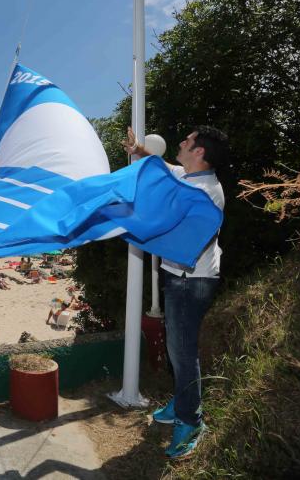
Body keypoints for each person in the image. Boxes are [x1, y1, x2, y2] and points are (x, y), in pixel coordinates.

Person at [123, 125, 229, 459]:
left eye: (188, 141)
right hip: (175, 276)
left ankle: (191, 420)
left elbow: (192, 234)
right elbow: (165, 168)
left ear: (200, 152)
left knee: (183, 353)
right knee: (176, 349)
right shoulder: (187, 175)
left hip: (192, 281)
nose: (181, 143)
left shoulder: (208, 192)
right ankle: (182, 401)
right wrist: (140, 150)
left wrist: (142, 226)